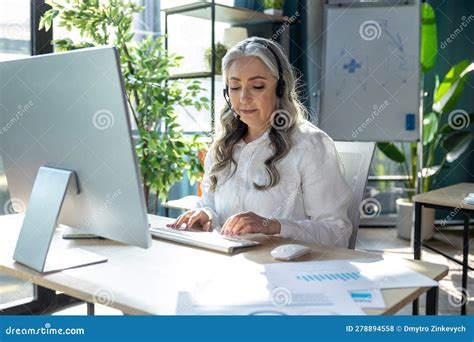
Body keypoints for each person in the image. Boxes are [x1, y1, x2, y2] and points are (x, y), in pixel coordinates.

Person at [168, 37, 353, 248]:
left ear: (280, 88)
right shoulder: (222, 146)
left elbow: (337, 234)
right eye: (235, 87)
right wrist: (205, 214)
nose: (244, 98)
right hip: (229, 269)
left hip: (285, 275)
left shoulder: (310, 146)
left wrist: (273, 226)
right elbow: (210, 206)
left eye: (257, 86)